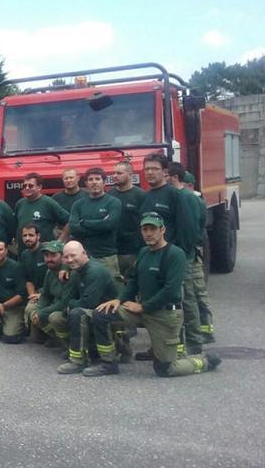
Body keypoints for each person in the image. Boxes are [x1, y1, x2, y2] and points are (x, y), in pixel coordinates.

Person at [85, 214, 221, 377]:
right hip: (141, 311)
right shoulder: (143, 252)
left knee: (165, 369)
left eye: (153, 229)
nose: (148, 233)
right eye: (145, 229)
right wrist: (119, 300)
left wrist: (143, 306)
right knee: (101, 315)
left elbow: (171, 290)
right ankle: (108, 363)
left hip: (164, 315)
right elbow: (134, 282)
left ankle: (205, 361)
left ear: (162, 230)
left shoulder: (175, 254)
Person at [135, 155, 195, 360]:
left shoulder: (175, 195)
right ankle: (158, 347)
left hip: (173, 259)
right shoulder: (145, 197)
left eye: (154, 168)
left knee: (179, 303)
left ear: (164, 172)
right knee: (154, 304)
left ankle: (185, 348)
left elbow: (187, 227)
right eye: (146, 169)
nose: (150, 172)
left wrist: (182, 255)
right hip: (153, 258)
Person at [54, 241, 120, 374]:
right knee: (56, 317)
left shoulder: (94, 271)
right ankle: (85, 350)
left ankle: (80, 361)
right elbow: (68, 298)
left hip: (111, 314)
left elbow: (87, 303)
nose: (70, 260)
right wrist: (69, 305)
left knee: (76, 313)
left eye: (73, 255)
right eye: (66, 257)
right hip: (94, 311)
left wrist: (71, 304)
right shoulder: (77, 270)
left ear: (84, 253)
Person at [167, 162, 208, 355]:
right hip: (177, 253)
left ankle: (195, 341)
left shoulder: (186, 197)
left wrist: (183, 253)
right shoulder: (176, 196)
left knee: (189, 297)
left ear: (174, 177)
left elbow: (191, 229)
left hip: (184, 255)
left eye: (166, 174)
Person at [68, 167, 122, 282]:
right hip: (83, 258)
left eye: (97, 179)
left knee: (111, 294)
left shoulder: (113, 202)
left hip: (107, 257)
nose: (94, 182)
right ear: (86, 183)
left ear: (104, 182)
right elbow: (73, 229)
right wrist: (100, 225)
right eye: (90, 179)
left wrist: (84, 222)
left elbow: (110, 225)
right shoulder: (78, 205)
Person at [182, 171, 215, 343]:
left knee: (196, 292)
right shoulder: (196, 200)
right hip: (195, 250)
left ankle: (204, 331)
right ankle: (205, 329)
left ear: (189, 185)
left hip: (193, 253)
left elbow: (198, 227)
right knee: (198, 292)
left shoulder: (193, 200)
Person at [28, 241, 72, 347]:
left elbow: (64, 303)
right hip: (54, 303)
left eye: (53, 255)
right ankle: (56, 338)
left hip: (68, 308)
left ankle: (71, 345)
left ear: (63, 257)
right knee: (31, 309)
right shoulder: (49, 272)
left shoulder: (68, 274)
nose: (49, 259)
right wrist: (38, 311)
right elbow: (46, 295)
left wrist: (42, 313)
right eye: (46, 256)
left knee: (54, 317)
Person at [108, 161, 145, 280]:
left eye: (119, 173)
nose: (115, 175)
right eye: (114, 173)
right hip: (113, 251)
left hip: (133, 251)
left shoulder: (140, 196)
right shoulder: (109, 195)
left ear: (130, 175)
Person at [14, 172, 69, 246]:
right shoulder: (20, 203)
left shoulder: (48, 202)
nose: (27, 188)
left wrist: (60, 241)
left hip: (44, 253)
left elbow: (69, 221)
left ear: (39, 187)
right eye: (25, 186)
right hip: (24, 253)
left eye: (30, 186)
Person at [19, 224, 46, 308]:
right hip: (35, 293)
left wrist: (42, 295)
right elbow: (28, 279)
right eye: (24, 235)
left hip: (50, 292)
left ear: (38, 236)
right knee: (29, 309)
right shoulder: (24, 254)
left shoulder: (47, 251)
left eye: (31, 235)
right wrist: (32, 296)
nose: (27, 238)